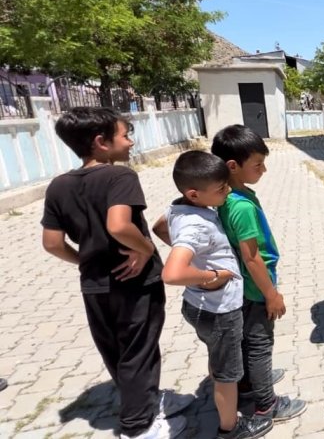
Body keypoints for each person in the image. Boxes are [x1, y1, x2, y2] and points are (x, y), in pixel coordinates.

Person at [40, 107, 192, 439]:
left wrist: (85, 260)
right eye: (125, 135)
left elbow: (52, 243)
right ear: (101, 142)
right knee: (139, 350)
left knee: (117, 350)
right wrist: (146, 249)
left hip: (94, 285)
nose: (132, 142)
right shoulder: (119, 177)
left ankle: (145, 402)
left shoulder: (58, 185)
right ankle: (139, 427)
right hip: (134, 283)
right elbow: (119, 225)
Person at [152, 151, 273, 439]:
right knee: (226, 375)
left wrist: (199, 262)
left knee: (219, 362)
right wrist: (211, 276)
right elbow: (171, 273)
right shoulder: (196, 225)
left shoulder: (178, 209)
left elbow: (158, 227)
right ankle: (230, 427)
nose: (228, 191)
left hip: (198, 306)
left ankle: (226, 399)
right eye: (221, 189)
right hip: (219, 311)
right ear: (194, 194)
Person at [211, 125, 307, 424]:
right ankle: (267, 405)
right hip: (256, 287)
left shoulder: (228, 197)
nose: (264, 170)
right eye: (257, 165)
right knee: (260, 345)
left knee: (247, 342)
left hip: (243, 287)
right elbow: (252, 258)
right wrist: (272, 294)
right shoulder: (240, 206)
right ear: (232, 166)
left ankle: (249, 382)